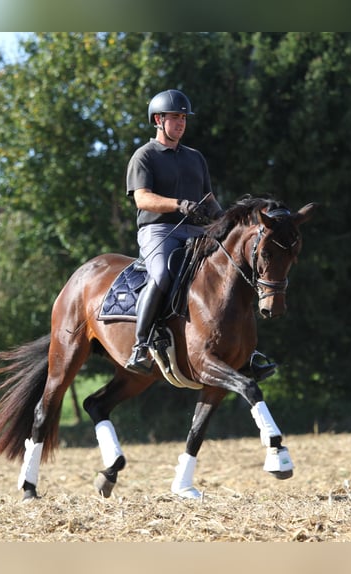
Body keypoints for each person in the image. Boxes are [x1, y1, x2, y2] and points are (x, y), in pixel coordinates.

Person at [124, 89, 224, 374]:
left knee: (231, 271)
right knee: (162, 274)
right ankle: (140, 346)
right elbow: (142, 198)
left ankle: (246, 349)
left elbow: (209, 198)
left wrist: (225, 219)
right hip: (159, 231)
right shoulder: (144, 156)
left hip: (196, 231)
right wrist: (178, 204)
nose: (181, 123)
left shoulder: (195, 158)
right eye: (174, 117)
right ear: (158, 119)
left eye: (183, 118)